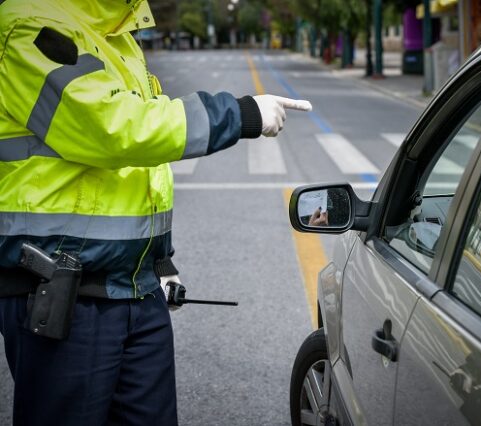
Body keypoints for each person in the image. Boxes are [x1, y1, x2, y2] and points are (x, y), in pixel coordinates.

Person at [0, 0, 311, 424]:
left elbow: (143, 171)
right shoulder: (29, 23)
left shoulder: (117, 36)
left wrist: (159, 260)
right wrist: (238, 114)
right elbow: (116, 129)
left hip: (134, 287)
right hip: (60, 292)